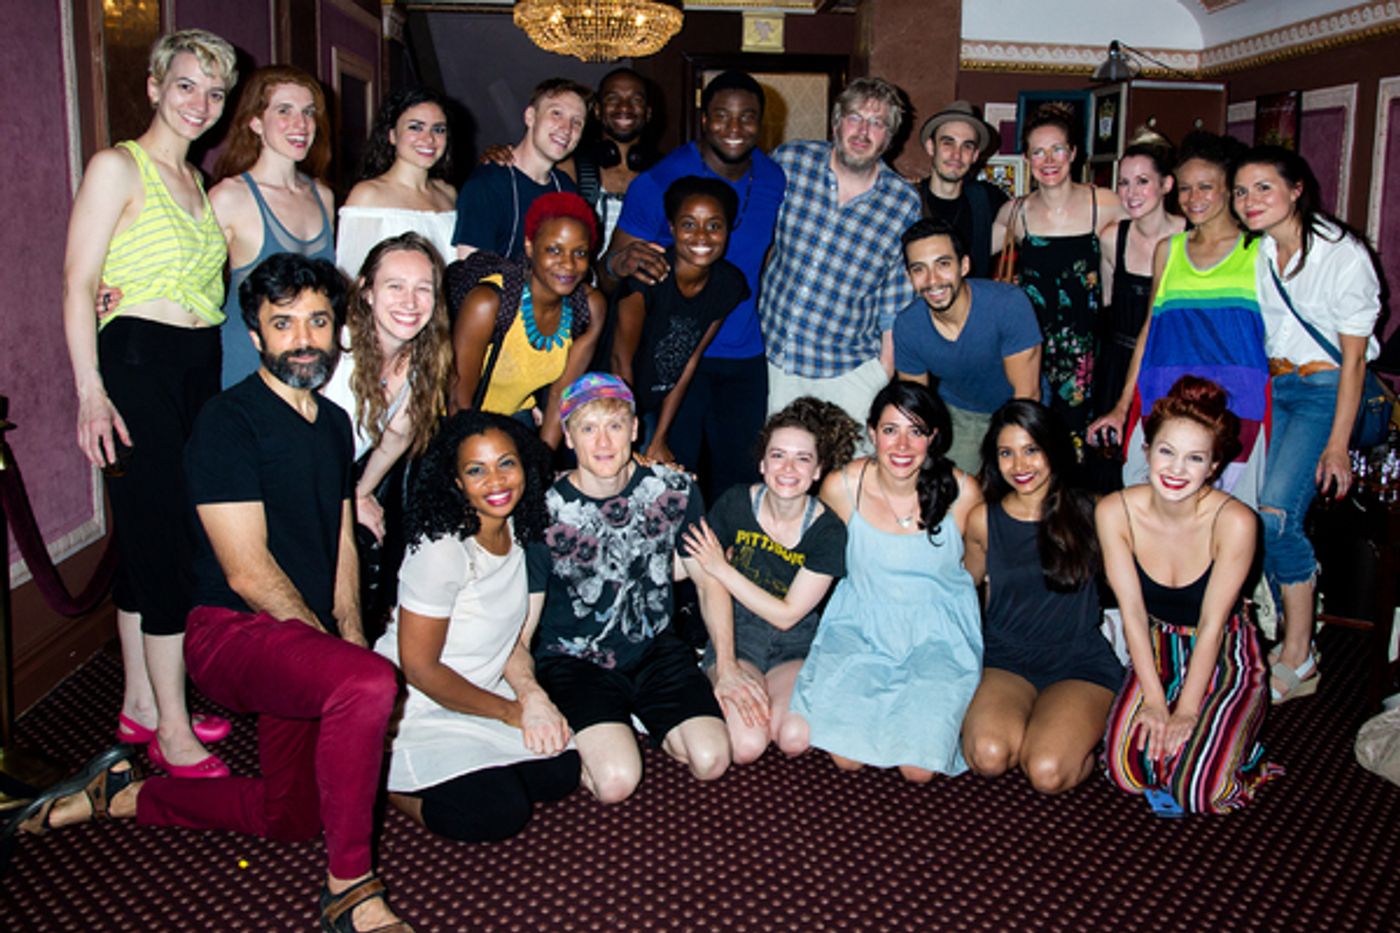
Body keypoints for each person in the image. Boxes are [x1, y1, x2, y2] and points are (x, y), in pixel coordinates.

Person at [10, 254, 413, 931]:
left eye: (318, 320)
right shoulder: (229, 422)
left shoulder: (337, 423)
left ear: (339, 328)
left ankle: (125, 795)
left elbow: (341, 541)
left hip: (303, 634)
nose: (304, 338)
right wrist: (340, 661)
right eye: (283, 325)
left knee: (290, 818)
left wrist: (349, 638)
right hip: (232, 634)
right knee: (369, 685)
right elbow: (247, 572)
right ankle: (349, 890)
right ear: (255, 337)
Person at [62, 30, 238, 777]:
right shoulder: (116, 166)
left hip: (196, 365)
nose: (200, 103)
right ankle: (172, 727)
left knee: (149, 538)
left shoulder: (198, 181)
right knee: (165, 541)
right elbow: (77, 283)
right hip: (135, 363)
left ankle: (140, 699)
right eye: (187, 85)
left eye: (215, 92)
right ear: (155, 86)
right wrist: (90, 391)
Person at [509, 374, 732, 804]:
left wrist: (725, 663)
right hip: (574, 660)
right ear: (568, 437)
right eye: (588, 428)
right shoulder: (542, 512)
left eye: (614, 425)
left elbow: (707, 577)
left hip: (654, 648)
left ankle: (630, 720)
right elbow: (520, 630)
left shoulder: (676, 489)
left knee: (712, 759)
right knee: (615, 783)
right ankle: (603, 729)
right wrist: (531, 696)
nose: (604, 441)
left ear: (634, 429)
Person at [375, 411, 580, 842]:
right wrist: (511, 713)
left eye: (506, 463)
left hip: (484, 689)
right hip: (418, 707)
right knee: (496, 812)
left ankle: (474, 766)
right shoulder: (442, 550)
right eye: (476, 470)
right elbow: (420, 669)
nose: (497, 481)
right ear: (455, 481)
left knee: (560, 771)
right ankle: (380, 781)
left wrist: (532, 696)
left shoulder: (518, 532)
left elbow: (507, 640)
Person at [1232, 145, 1383, 703]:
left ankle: (1301, 653)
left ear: (1297, 189)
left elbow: (1355, 362)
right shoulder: (1259, 252)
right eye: (1242, 192)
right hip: (1277, 389)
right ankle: (1288, 612)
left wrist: (1338, 444)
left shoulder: (1342, 256)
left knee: (1273, 517)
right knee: (1254, 510)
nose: (1249, 201)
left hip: (1325, 392)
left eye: (1263, 188)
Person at [1100, 376, 1281, 815]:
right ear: (1146, 450)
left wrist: (1187, 710)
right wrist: (1158, 702)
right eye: (1166, 451)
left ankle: (1246, 757)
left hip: (1223, 654)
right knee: (1127, 772)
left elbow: (1214, 624)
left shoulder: (1235, 521)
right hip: (1156, 648)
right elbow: (1133, 615)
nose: (1177, 470)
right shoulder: (1114, 511)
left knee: (1200, 792)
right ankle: (1200, 745)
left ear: (1214, 467)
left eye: (1194, 458)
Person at [790, 380, 984, 782]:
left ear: (934, 437)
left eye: (916, 431)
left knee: (918, 769)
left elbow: (976, 570)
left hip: (937, 635)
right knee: (847, 758)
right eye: (891, 430)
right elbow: (809, 548)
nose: (902, 445)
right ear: (873, 432)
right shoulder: (842, 487)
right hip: (860, 626)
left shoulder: (963, 492)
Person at [603, 70, 785, 497]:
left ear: (762, 123)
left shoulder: (774, 179)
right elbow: (607, 274)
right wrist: (619, 263)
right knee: (670, 480)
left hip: (744, 352)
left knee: (740, 482)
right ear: (704, 119)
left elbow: (769, 251)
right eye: (722, 116)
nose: (735, 129)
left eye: (747, 118)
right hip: (673, 355)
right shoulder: (659, 181)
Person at [1088, 132, 1269, 504]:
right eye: (1185, 188)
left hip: (1239, 403)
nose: (1193, 198)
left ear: (1229, 190)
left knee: (1230, 516)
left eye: (1206, 187)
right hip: (1165, 396)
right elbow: (1150, 329)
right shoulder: (1168, 250)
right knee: (1151, 507)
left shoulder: (1259, 251)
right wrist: (1123, 407)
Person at [681, 397, 860, 763]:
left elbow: (787, 614)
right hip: (738, 633)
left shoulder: (828, 531)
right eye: (778, 455)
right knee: (746, 746)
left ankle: (739, 697)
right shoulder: (734, 504)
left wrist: (722, 568)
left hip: (792, 643)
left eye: (802, 458)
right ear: (762, 464)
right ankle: (710, 680)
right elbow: (685, 565)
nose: (788, 468)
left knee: (795, 738)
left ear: (817, 471)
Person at [960, 400, 1122, 794]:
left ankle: (1076, 738)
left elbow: (1136, 585)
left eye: (1032, 449)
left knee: (1047, 773)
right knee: (989, 755)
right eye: (1006, 452)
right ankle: (1030, 725)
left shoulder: (1095, 511)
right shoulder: (984, 519)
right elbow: (962, 594)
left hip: (1077, 661)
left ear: (1053, 449)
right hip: (1006, 657)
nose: (1020, 465)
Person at [761, 78, 923, 429]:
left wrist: (881, 376)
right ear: (836, 123)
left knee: (847, 482)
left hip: (848, 373)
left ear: (889, 138)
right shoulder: (790, 163)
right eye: (855, 117)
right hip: (774, 362)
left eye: (877, 123)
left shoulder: (902, 203)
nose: (863, 130)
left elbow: (896, 304)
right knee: (779, 476)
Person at [994, 104, 1125, 441]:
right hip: (1032, 347)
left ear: (1074, 153)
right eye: (1038, 152)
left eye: (1057, 150)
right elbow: (968, 254)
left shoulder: (1106, 203)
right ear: (1027, 158)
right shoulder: (1015, 212)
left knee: (1080, 441)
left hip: (1087, 348)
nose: (1048, 160)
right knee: (1035, 433)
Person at [209, 65, 336, 387]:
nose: (301, 124)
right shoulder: (228, 197)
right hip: (246, 363)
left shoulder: (323, 196)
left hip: (310, 364)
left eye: (308, 113)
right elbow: (187, 281)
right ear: (255, 122)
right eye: (284, 111)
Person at [450, 192, 606, 449]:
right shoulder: (489, 302)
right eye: (554, 250)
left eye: (579, 253)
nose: (568, 264)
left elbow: (559, 397)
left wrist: (542, 464)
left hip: (516, 420)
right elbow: (458, 401)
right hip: (458, 425)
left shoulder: (589, 307)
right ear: (530, 247)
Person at [610, 176, 749, 463]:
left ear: (728, 230)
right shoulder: (647, 276)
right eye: (688, 224)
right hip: (608, 397)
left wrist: (659, 438)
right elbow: (620, 361)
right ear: (672, 228)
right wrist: (630, 436)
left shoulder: (729, 284)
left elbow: (689, 360)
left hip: (652, 400)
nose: (701, 236)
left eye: (714, 225)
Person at [893, 216, 1042, 474]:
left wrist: (1006, 454)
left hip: (1018, 409)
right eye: (919, 269)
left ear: (964, 265)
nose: (932, 280)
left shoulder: (1008, 305)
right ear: (909, 277)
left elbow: (1027, 395)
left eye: (943, 264)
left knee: (1020, 484)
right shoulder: (908, 326)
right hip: (960, 415)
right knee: (950, 493)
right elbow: (917, 407)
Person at [1092, 132, 1184, 421]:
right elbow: (1106, 303)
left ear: (1166, 184)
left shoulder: (1190, 237)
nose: (1131, 193)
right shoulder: (1110, 238)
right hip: (1116, 365)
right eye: (1124, 182)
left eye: (1143, 181)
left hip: (1172, 363)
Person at [453, 78, 589, 262]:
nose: (566, 128)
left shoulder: (565, 187)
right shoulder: (487, 184)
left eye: (577, 122)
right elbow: (469, 274)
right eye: (556, 113)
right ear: (530, 117)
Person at [338, 87, 457, 279]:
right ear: (392, 135)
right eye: (415, 127)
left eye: (438, 129)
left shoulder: (448, 194)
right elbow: (351, 276)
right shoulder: (368, 194)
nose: (428, 138)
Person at [917, 100, 1007, 279]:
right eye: (947, 143)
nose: (956, 154)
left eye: (967, 146)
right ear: (930, 147)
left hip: (975, 305)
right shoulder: (909, 201)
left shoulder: (987, 199)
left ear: (974, 155)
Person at [572, 68, 660, 249]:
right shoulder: (571, 167)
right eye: (613, 99)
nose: (624, 107)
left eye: (636, 100)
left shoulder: (664, 173)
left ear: (648, 113)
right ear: (597, 110)